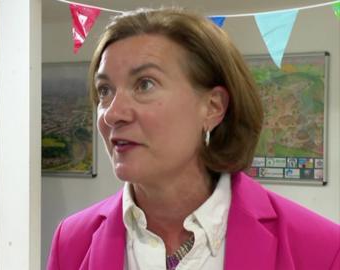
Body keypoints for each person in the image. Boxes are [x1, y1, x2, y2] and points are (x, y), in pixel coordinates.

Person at [47, 7, 340, 270]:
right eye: (105, 90)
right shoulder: (71, 243)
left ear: (213, 107)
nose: (112, 114)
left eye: (144, 84)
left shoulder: (320, 249)